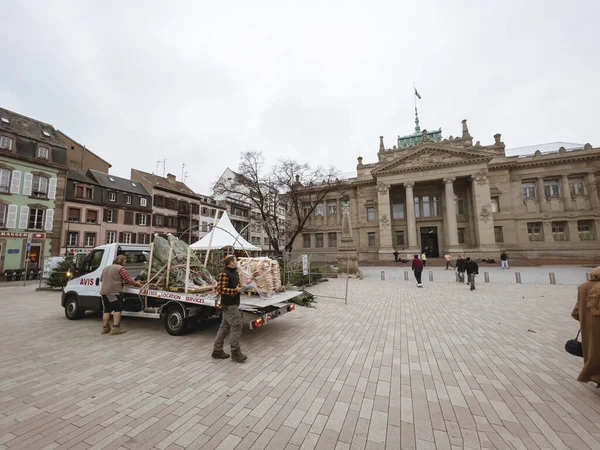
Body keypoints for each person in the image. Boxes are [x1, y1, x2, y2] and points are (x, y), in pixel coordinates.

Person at [212, 255, 248, 362]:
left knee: (225, 327)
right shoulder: (224, 273)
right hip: (229, 304)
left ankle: (217, 350)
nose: (237, 262)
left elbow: (235, 286)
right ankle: (235, 352)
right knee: (237, 325)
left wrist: (242, 286)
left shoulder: (234, 272)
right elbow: (221, 289)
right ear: (231, 262)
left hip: (233, 303)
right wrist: (235, 291)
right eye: (235, 260)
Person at [571, 267, 600, 385]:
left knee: (593, 353)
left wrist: (586, 320)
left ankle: (595, 376)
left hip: (589, 329)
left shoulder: (583, 286)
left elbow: (575, 313)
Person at [100, 255, 141, 335]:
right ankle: (115, 327)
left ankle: (105, 328)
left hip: (104, 292)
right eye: (124, 261)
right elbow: (128, 279)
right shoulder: (120, 268)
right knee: (117, 309)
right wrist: (136, 283)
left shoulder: (106, 268)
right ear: (121, 261)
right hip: (115, 292)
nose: (125, 263)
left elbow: (102, 279)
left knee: (107, 309)